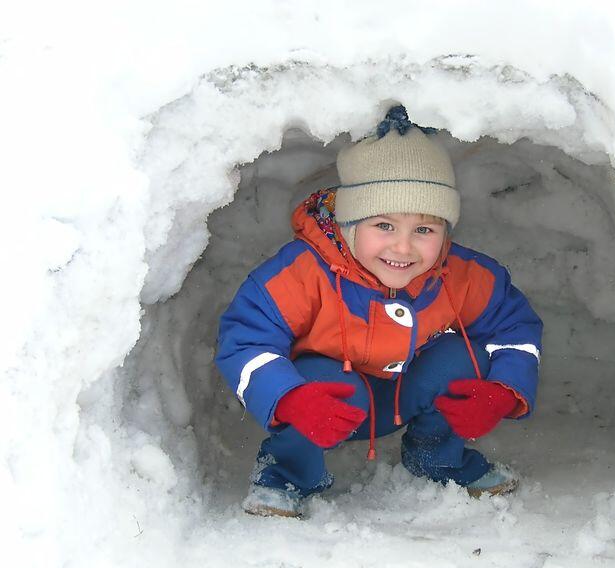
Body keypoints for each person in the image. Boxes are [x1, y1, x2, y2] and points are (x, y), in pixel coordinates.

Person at [215, 106, 543, 517]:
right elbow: (245, 340)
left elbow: (515, 328)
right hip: (329, 404)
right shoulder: (301, 273)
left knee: (468, 358)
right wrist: (290, 399)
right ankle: (286, 475)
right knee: (315, 379)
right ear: (350, 224)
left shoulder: (460, 273)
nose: (403, 248)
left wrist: (501, 392)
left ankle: (436, 458)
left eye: (424, 230)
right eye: (383, 226)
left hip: (407, 389)